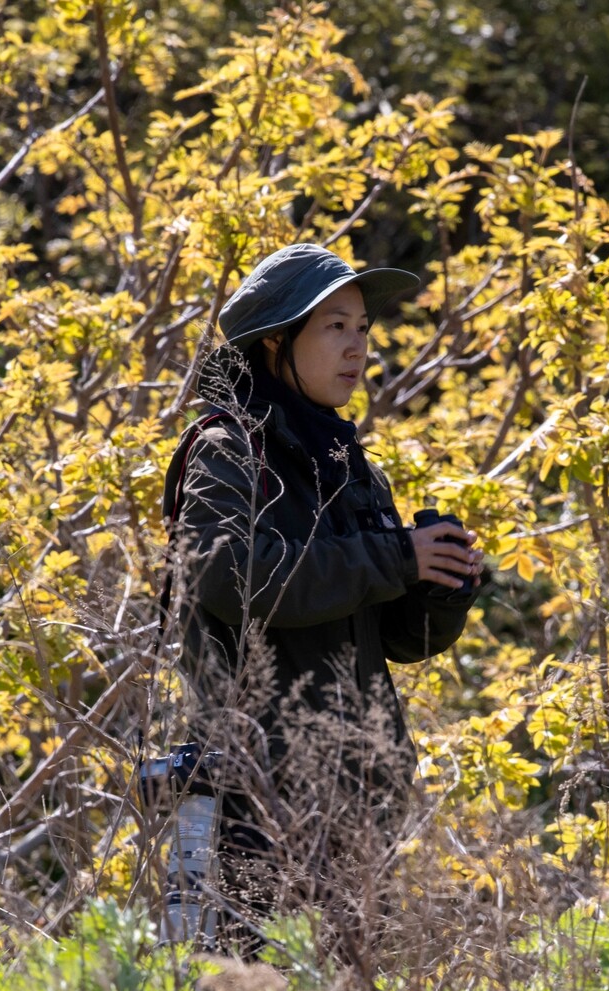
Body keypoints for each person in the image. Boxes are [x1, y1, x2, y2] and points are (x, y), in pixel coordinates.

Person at [162, 242, 482, 953]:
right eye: (334, 326)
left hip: (357, 805)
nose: (357, 347)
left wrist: (443, 584)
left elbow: (402, 640)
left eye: (362, 328)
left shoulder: (344, 461)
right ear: (276, 340)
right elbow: (233, 579)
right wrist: (394, 557)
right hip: (254, 803)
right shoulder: (225, 448)